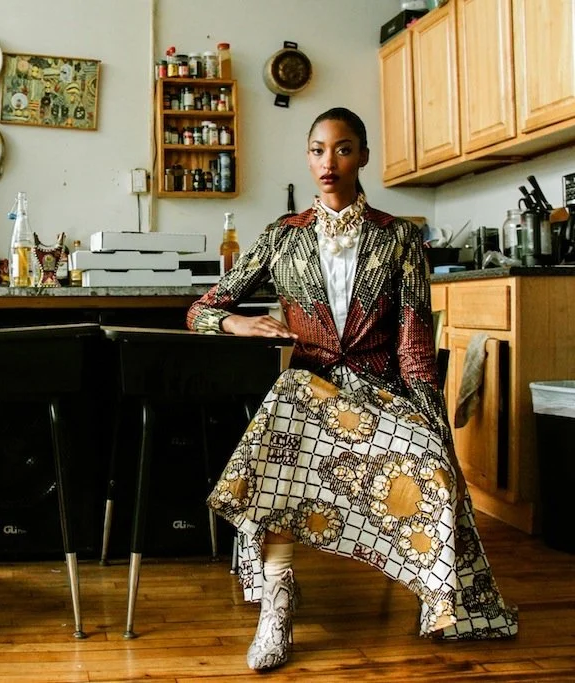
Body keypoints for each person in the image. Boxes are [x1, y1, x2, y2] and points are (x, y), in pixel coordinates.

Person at [188, 107, 517, 671]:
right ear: (307, 156)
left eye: (342, 149)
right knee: (286, 411)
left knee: (435, 469)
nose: (327, 162)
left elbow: (415, 341)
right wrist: (241, 322)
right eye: (317, 150)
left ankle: (439, 601)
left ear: (363, 156)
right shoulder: (279, 237)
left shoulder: (400, 238)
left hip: (379, 393)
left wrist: (433, 426)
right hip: (310, 391)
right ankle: (277, 602)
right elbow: (201, 310)